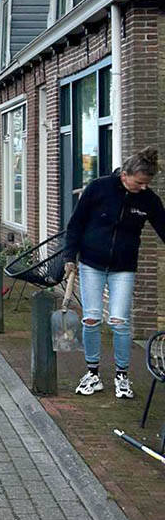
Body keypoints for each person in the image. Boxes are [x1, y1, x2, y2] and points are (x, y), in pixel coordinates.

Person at [64, 147, 165, 399]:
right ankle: (93, 373)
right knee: (91, 318)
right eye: (140, 182)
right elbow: (75, 224)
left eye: (147, 184)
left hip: (123, 267)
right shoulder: (98, 189)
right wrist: (69, 257)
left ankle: (122, 376)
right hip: (91, 264)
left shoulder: (148, 200)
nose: (143, 187)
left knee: (119, 322)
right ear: (126, 174)